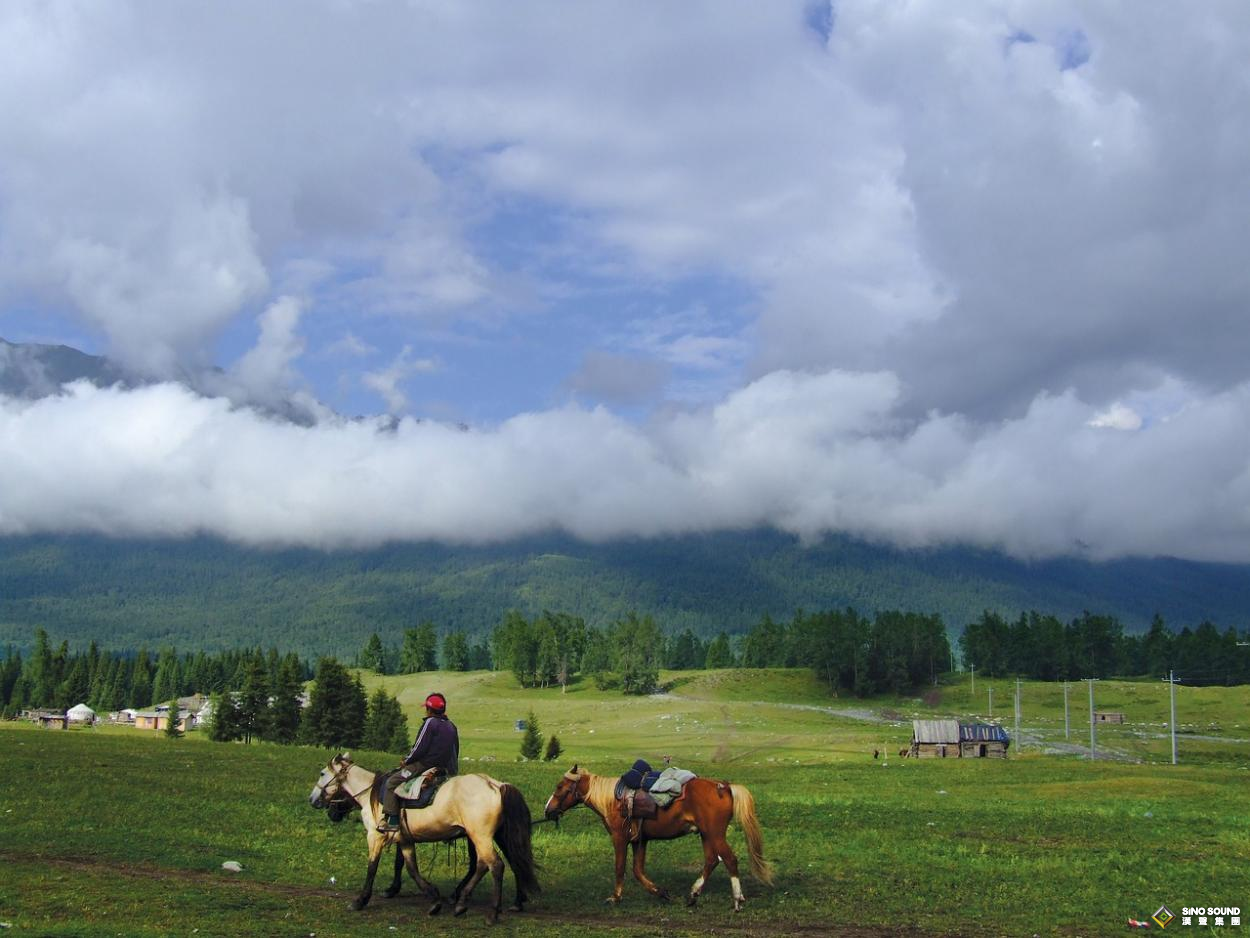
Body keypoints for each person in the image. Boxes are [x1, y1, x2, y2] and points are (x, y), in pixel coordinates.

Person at [378, 692, 459, 832]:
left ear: (429, 710)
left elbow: (419, 747)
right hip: (444, 767)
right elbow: (455, 749)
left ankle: (393, 820)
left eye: (426, 709)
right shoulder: (451, 726)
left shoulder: (429, 723)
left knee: (391, 781)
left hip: (423, 765)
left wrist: (407, 760)